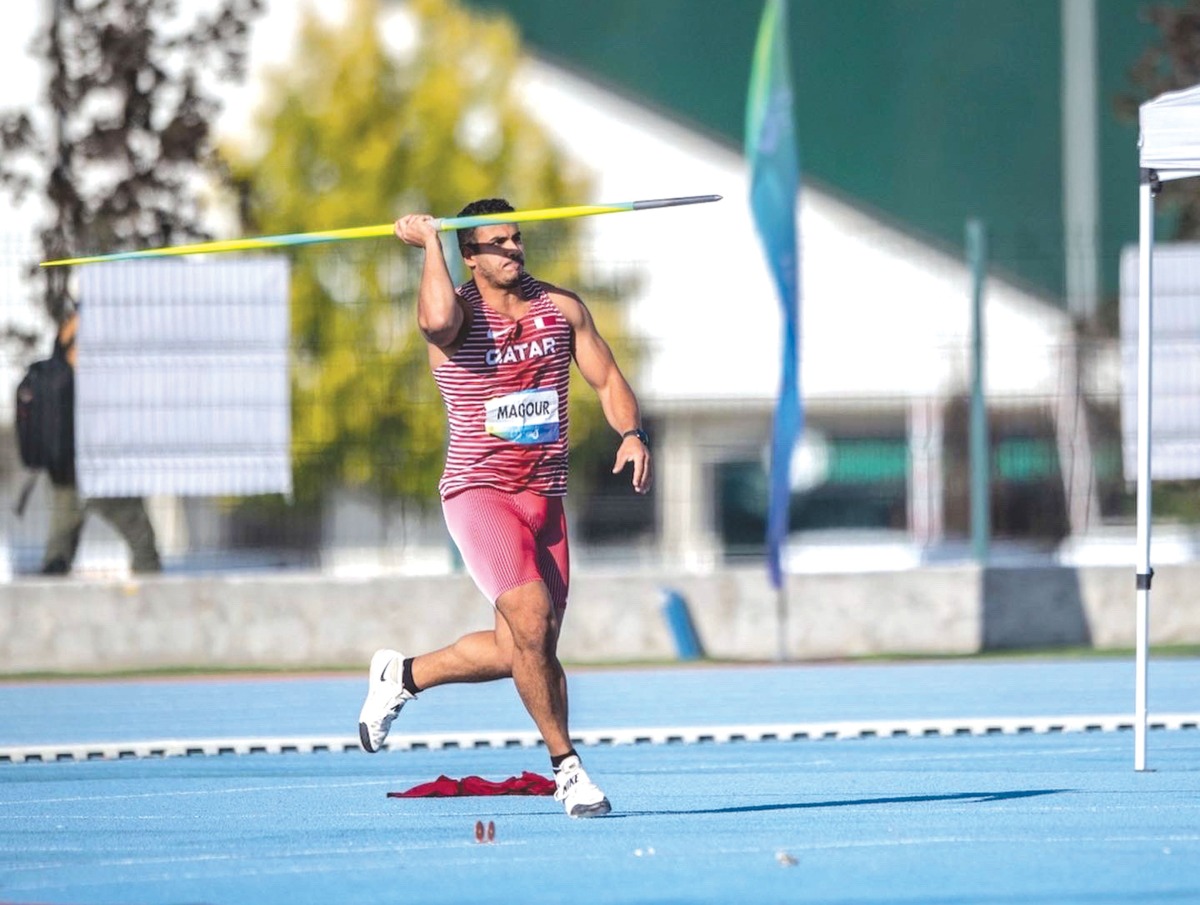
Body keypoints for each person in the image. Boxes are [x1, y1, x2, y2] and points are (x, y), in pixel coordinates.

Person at [357, 199, 652, 818]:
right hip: (479, 492)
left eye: (517, 240)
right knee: (533, 624)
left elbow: (605, 378)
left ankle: (401, 676)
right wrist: (431, 243)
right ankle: (567, 770)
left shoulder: (562, 308)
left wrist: (631, 434)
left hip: (545, 498)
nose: (514, 250)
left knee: (524, 646)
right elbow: (434, 322)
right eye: (497, 243)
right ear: (471, 255)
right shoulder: (458, 313)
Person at [40, 309, 162, 576]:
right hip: (88, 469)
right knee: (142, 549)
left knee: (61, 551)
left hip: (92, 468)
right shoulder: (69, 368)